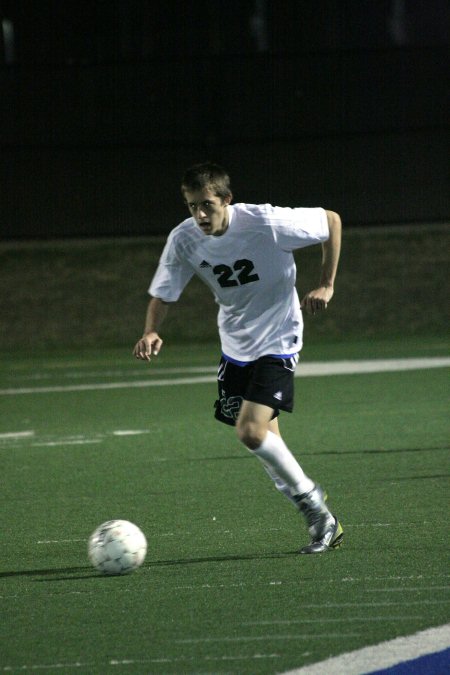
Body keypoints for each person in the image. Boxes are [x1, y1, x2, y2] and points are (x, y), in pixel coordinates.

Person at [133, 162, 343, 554]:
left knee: (249, 430)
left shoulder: (265, 222)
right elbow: (163, 292)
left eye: (207, 205)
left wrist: (326, 284)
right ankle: (321, 519)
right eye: (191, 206)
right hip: (235, 345)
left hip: (280, 337)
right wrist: (150, 330)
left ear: (226, 200)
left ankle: (316, 510)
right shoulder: (184, 239)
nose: (199, 215)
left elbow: (331, 221)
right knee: (263, 441)